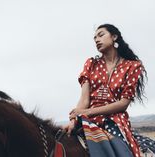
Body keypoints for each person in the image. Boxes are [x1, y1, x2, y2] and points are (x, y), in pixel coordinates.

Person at [63, 24, 147, 157]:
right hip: (87, 119)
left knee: (123, 152)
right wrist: (74, 120)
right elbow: (85, 99)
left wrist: (87, 112)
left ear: (114, 37)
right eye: (94, 38)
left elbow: (123, 103)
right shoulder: (91, 64)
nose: (96, 39)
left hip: (115, 121)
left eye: (101, 35)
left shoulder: (132, 66)